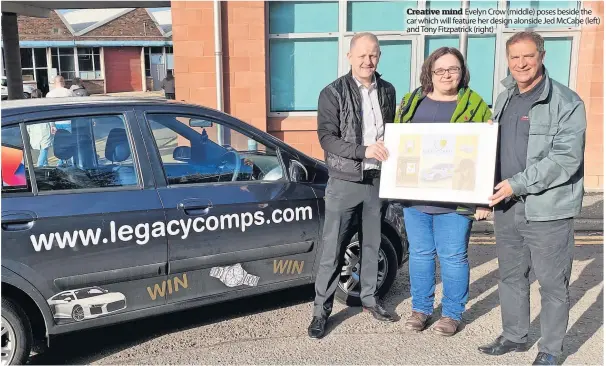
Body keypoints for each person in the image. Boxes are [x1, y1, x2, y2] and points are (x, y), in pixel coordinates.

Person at [478, 32, 586, 366]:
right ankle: (515, 336)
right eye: (514, 58)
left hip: (547, 211)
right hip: (507, 208)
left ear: (541, 56)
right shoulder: (504, 97)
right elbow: (494, 151)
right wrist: (485, 192)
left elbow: (565, 160)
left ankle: (551, 349)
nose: (521, 64)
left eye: (528, 57)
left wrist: (516, 184)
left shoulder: (567, 102)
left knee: (553, 285)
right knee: (511, 276)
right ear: (507, 60)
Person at [393, 47, 492, 337]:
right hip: (416, 197)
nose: (447, 74)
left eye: (454, 69)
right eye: (440, 69)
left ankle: (451, 313)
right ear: (430, 72)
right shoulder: (412, 102)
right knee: (421, 255)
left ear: (462, 72)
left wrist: (484, 197)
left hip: (456, 200)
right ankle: (421, 309)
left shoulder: (476, 105)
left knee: (453, 257)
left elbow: (488, 154)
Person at [308, 32, 397, 339]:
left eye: (372, 55)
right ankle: (321, 312)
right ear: (349, 57)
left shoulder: (388, 90)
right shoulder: (332, 93)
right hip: (344, 181)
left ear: (379, 56)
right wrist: (364, 151)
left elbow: (392, 131)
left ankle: (371, 300)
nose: (367, 61)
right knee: (332, 249)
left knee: (372, 244)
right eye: (361, 55)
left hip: (376, 181)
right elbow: (327, 138)